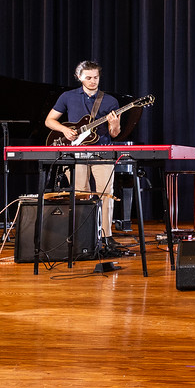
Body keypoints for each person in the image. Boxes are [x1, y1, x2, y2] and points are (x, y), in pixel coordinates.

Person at [44, 60, 125, 250]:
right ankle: (83, 235)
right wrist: (64, 130)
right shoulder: (67, 97)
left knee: (106, 194)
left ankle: (106, 236)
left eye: (96, 77)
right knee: (81, 193)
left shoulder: (110, 101)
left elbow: (115, 133)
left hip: (102, 152)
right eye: (88, 78)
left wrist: (113, 124)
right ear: (79, 77)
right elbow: (49, 121)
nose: (93, 81)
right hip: (76, 152)